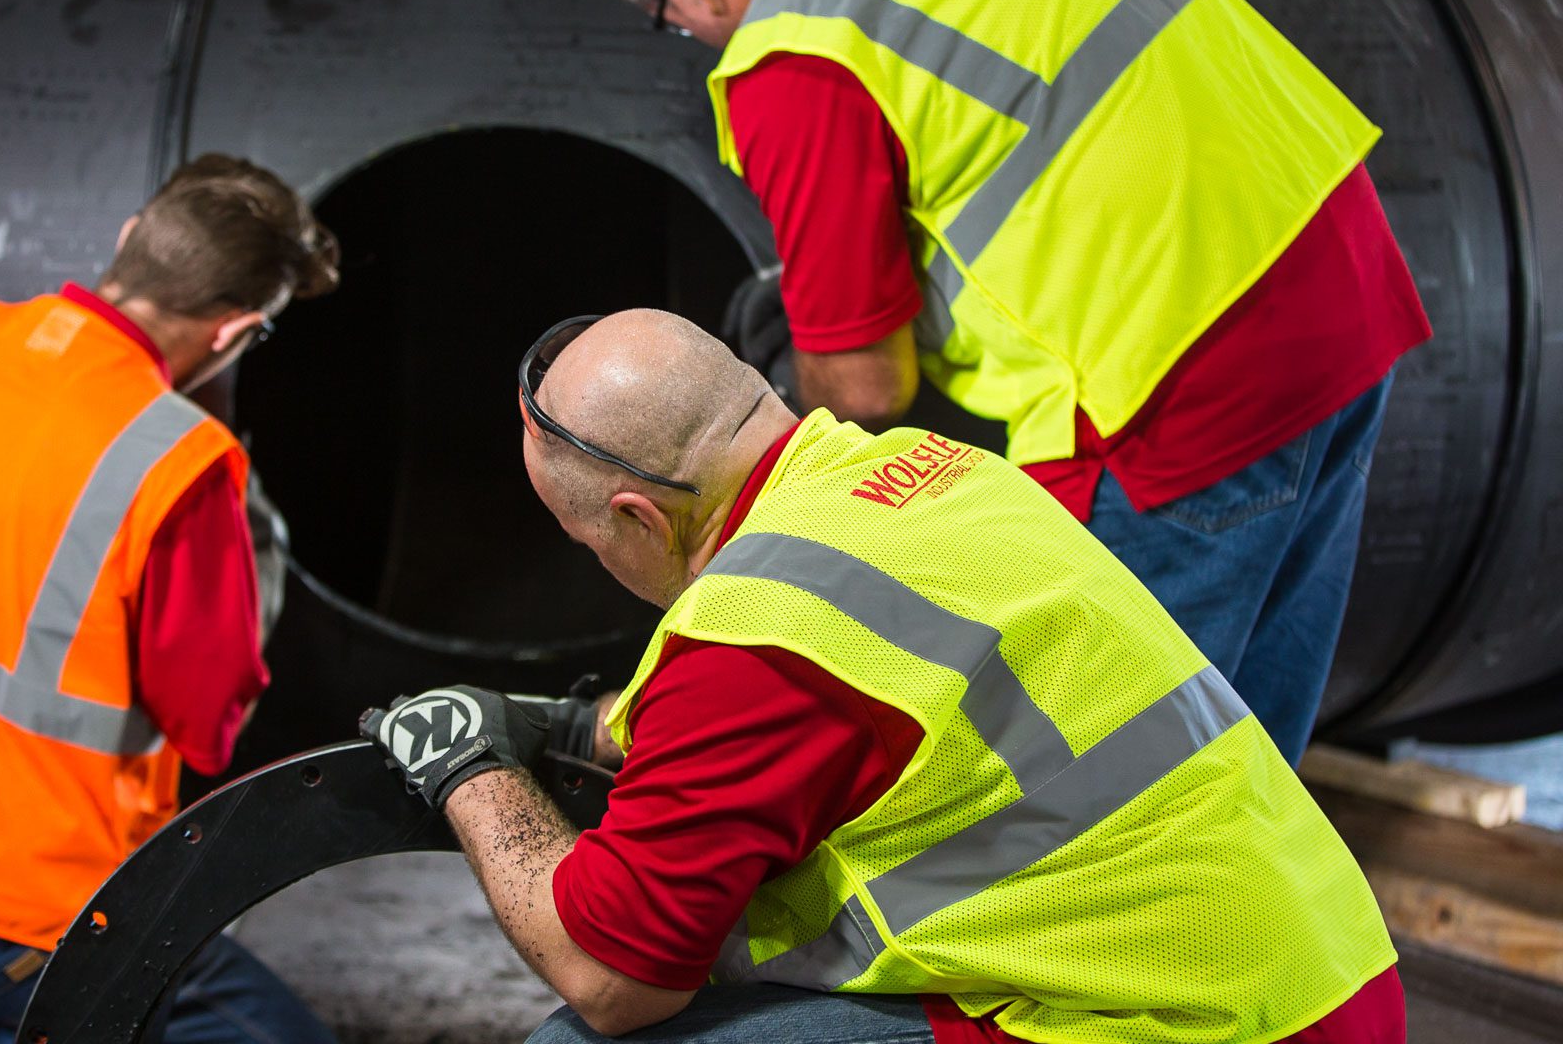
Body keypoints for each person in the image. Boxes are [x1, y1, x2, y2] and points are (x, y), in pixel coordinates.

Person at [576, 0, 1431, 762]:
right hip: (1331, 259)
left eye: (678, 26)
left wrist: (794, 376)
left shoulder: (794, 58)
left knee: (1114, 777)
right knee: (1251, 759)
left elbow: (863, 389)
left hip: (1172, 382)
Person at [362, 308, 1404, 1044]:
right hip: (1319, 979)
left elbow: (609, 973)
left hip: (1167, 1026)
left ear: (636, 518)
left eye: (585, 536)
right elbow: (829, 700)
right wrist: (576, 724)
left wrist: (469, 766)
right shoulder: (934, 476)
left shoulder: (751, 642)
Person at [0, 155, 342, 1044]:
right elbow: (207, 722)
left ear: (129, 241)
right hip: (7, 913)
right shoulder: (182, 468)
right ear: (235, 330)